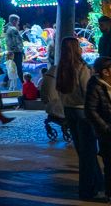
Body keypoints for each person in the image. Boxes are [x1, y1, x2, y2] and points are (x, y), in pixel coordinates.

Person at [58, 35, 103, 198]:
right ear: (75, 49)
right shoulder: (82, 68)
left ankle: (99, 183)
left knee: (83, 151)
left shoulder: (61, 68)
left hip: (69, 110)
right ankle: (86, 190)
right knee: (88, 153)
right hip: (83, 112)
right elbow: (88, 92)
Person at [85, 56, 111, 190]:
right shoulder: (95, 85)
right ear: (105, 72)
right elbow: (90, 110)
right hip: (106, 133)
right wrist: (106, 128)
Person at [4, 15, 26, 83]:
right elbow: (17, 41)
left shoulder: (8, 28)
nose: (18, 23)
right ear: (14, 21)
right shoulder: (13, 29)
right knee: (19, 67)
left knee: (12, 66)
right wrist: (22, 51)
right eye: (18, 21)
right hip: (16, 51)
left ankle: (5, 80)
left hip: (11, 51)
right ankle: (23, 82)